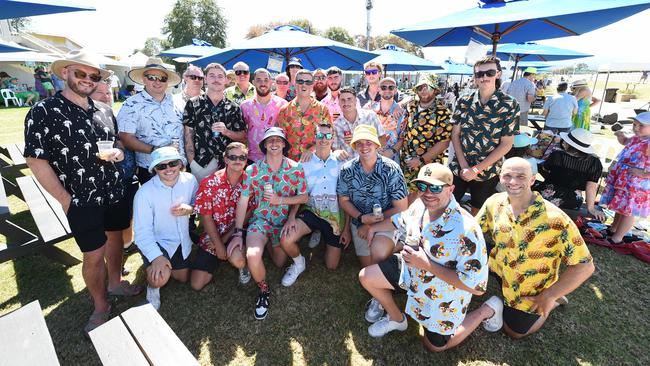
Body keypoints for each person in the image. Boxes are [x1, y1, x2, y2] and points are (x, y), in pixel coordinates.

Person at [24, 51, 141, 334]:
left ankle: (115, 283)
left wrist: (118, 151)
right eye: (81, 74)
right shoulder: (44, 111)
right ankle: (101, 305)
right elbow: (36, 160)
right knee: (93, 253)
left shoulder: (103, 110)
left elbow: (118, 145)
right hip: (81, 199)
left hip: (114, 190)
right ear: (65, 73)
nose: (88, 80)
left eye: (94, 76)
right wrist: (65, 201)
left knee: (116, 240)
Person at [358, 163, 488, 351]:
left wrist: (426, 264)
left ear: (451, 189)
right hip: (410, 272)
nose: (428, 193)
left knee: (435, 347)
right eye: (422, 186)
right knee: (366, 277)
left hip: (441, 297)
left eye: (435, 187)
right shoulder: (419, 205)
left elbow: (476, 286)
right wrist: (373, 228)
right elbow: (399, 220)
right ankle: (397, 319)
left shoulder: (467, 230)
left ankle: (486, 310)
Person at [476, 157, 595, 339]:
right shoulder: (495, 202)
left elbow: (585, 266)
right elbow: (474, 232)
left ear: (532, 180)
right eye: (507, 176)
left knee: (514, 332)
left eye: (521, 176)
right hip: (499, 268)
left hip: (529, 286)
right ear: (500, 178)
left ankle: (554, 301)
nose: (513, 182)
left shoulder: (556, 218)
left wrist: (549, 295)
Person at [230, 127, 308, 320]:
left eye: (278, 140)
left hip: (282, 222)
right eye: (270, 140)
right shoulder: (252, 169)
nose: (274, 143)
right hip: (261, 220)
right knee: (253, 256)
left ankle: (267, 255)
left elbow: (304, 197)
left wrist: (284, 206)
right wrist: (239, 232)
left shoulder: (296, 168)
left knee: (280, 261)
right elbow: (243, 201)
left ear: (284, 144)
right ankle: (263, 291)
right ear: (264, 145)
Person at [337, 125, 408, 322]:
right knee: (368, 269)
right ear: (354, 146)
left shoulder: (391, 169)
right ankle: (381, 286)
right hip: (360, 223)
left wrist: (372, 225)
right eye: (359, 143)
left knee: (378, 252)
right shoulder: (347, 170)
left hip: (388, 222)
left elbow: (402, 207)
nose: (364, 146)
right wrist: (361, 219)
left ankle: (380, 299)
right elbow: (344, 200)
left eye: (368, 142)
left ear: (377, 144)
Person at [279, 123, 350, 286]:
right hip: (311, 211)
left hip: (334, 216)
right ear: (314, 138)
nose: (323, 139)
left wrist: (346, 229)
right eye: (319, 135)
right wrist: (291, 217)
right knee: (286, 240)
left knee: (332, 266)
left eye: (327, 136)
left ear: (333, 139)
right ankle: (299, 263)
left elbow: (346, 198)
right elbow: (299, 193)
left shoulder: (342, 163)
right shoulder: (304, 163)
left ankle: (320, 232)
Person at [449, 56, 519, 215]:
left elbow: (506, 143)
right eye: (479, 74)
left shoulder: (509, 104)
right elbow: (455, 135)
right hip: (459, 167)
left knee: (478, 213)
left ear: (498, 74)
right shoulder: (464, 101)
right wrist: (465, 167)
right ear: (475, 77)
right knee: (447, 207)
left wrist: (476, 169)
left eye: (489, 72)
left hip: (488, 170)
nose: (484, 77)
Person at [134, 147, 198, 310]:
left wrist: (190, 209)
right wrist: (156, 257)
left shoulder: (190, 180)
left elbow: (197, 204)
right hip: (158, 242)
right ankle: (152, 288)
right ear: (154, 169)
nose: (168, 169)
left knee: (183, 278)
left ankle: (160, 265)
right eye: (162, 166)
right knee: (159, 278)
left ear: (180, 163)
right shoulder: (144, 193)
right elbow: (142, 233)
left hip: (181, 240)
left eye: (172, 163)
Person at [190, 142, 255, 290]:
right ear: (225, 159)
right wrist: (218, 244)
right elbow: (205, 217)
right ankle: (220, 256)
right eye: (233, 157)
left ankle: (241, 265)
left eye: (242, 157)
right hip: (213, 233)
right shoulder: (209, 182)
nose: (238, 161)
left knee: (238, 260)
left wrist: (223, 241)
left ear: (246, 160)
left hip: (238, 231)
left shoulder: (250, 182)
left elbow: (249, 211)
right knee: (197, 284)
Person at [117, 57, 184, 184]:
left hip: (179, 165)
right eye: (152, 77)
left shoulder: (177, 102)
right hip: (151, 168)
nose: (157, 81)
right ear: (143, 79)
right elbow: (126, 138)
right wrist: (156, 149)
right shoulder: (131, 104)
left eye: (162, 78)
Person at [182, 63, 246, 183]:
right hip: (200, 163)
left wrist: (226, 132)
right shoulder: (193, 104)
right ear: (205, 79)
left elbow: (242, 136)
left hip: (227, 164)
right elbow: (188, 136)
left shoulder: (234, 107)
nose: (216, 79)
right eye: (212, 76)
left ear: (226, 80)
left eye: (220, 76)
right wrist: (192, 163)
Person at [600, 112, 650, 244]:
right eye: (634, 124)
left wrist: (645, 174)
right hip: (625, 180)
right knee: (621, 206)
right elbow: (625, 142)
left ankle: (618, 238)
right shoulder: (636, 138)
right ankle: (613, 228)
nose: (636, 128)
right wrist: (620, 135)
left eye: (641, 125)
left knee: (629, 211)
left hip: (637, 184)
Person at [534, 128, 604, 220]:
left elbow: (546, 169)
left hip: (548, 194)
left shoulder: (557, 155)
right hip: (573, 200)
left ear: (568, 143)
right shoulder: (595, 162)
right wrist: (591, 208)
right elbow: (591, 187)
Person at [400, 79, 452, 204]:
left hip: (428, 165)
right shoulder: (411, 105)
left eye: (427, 87)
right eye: (420, 88)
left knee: (426, 197)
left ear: (435, 90)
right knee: (407, 194)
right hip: (407, 162)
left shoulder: (443, 111)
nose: (423, 91)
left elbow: (444, 142)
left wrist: (420, 160)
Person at [277, 69, 332, 162]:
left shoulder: (323, 110)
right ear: (295, 83)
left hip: (315, 162)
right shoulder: (284, 110)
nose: (304, 85)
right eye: (300, 81)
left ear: (312, 84)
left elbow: (330, 136)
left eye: (308, 82)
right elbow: (280, 140)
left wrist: (311, 150)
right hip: (291, 164)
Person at [240, 68, 289, 163]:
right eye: (259, 80)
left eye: (266, 80)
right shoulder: (245, 106)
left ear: (271, 82)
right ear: (253, 82)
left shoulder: (283, 104)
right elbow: (242, 132)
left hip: (277, 157)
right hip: (252, 158)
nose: (263, 83)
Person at [332, 87, 385, 161]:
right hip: (349, 167)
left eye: (349, 99)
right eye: (342, 100)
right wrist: (338, 152)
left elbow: (382, 138)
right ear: (339, 102)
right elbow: (335, 148)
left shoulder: (370, 116)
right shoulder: (336, 125)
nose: (346, 103)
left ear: (356, 101)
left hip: (371, 163)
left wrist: (359, 139)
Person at [368, 77, 406, 163]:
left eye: (391, 87)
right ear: (379, 89)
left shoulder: (402, 113)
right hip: (371, 157)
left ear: (396, 90)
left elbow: (403, 137)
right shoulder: (370, 109)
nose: (387, 90)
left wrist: (392, 151)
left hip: (392, 159)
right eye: (383, 87)